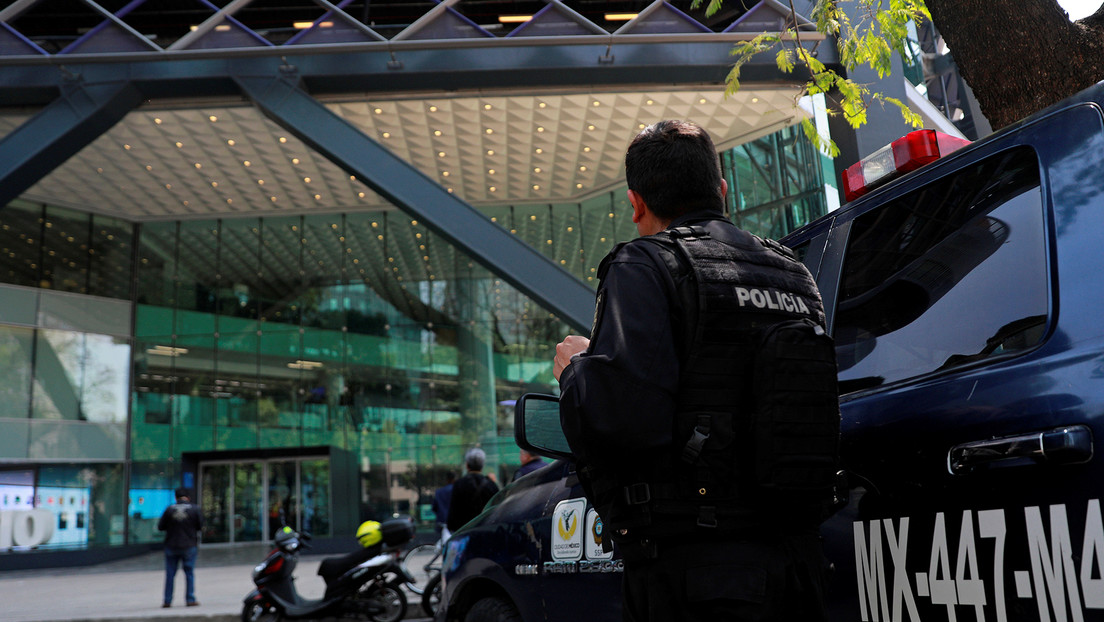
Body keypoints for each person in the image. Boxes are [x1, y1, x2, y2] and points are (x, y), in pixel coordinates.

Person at [554, 120, 838, 622]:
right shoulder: (794, 273)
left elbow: (623, 422)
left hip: (695, 570)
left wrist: (576, 371)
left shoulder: (643, 265)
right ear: (722, 191)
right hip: (799, 564)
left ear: (636, 202)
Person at [157, 487, 204, 608]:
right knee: (189, 573)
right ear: (188, 497)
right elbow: (200, 526)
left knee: (170, 574)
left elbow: (160, 527)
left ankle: (167, 600)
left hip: (171, 545)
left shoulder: (169, 510)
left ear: (176, 497)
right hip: (189, 545)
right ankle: (190, 599)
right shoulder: (195, 509)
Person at [446, 448, 499, 533]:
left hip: (465, 532)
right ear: (482, 465)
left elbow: (453, 515)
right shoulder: (491, 485)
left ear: (467, 465)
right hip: (486, 532)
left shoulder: (459, 484)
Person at [432, 470, 456, 540]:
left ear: (447, 479)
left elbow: (434, 508)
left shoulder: (439, 492)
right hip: (455, 525)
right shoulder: (457, 491)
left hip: (442, 523)